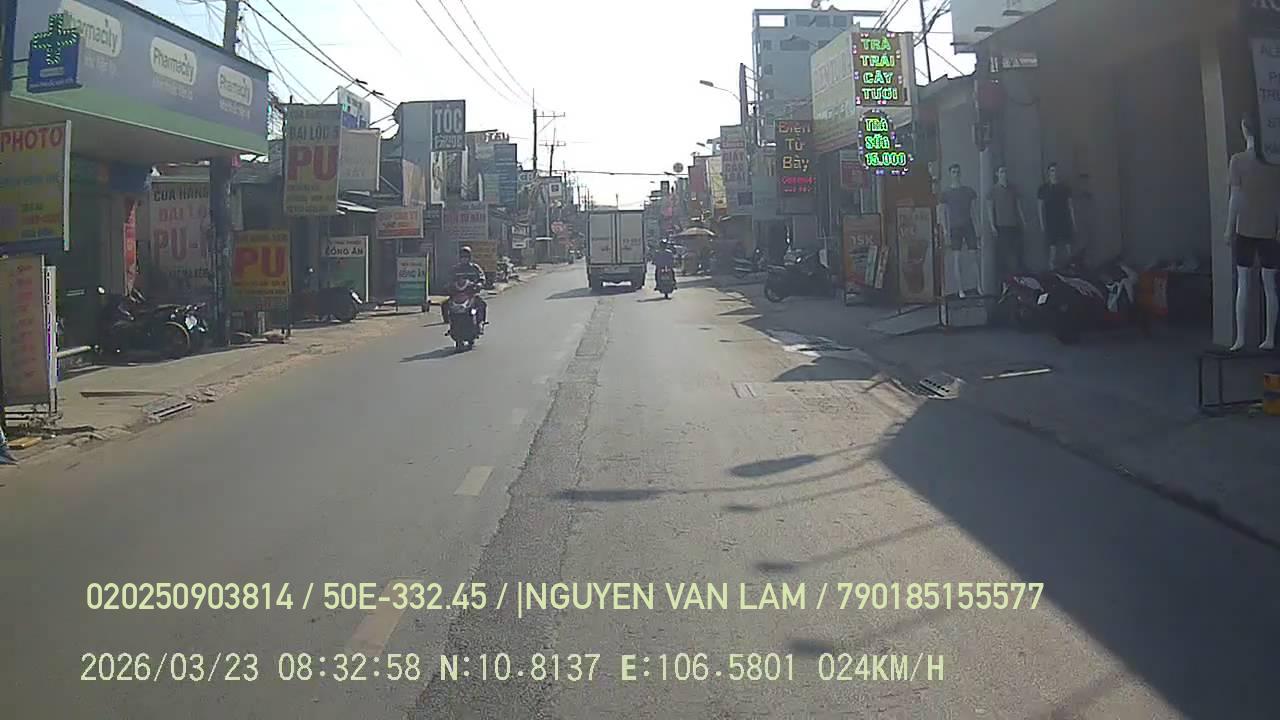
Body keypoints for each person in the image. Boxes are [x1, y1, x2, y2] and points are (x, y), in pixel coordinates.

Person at [447, 246, 487, 333]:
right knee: (445, 304)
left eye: (466, 257)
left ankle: (480, 323)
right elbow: (449, 279)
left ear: (470, 257)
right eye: (462, 257)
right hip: (458, 294)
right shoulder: (455, 269)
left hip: (471, 293)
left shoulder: (475, 268)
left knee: (481, 304)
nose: (464, 259)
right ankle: (451, 324)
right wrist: (448, 286)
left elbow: (481, 277)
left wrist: (479, 284)